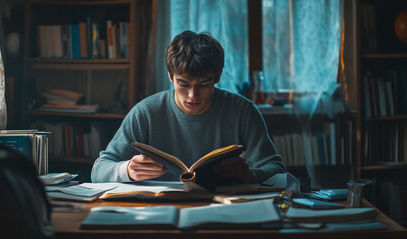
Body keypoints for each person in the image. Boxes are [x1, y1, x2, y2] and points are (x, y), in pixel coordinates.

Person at [91, 30, 286, 186]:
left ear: (217, 77)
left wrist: (251, 175)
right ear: (170, 76)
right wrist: (127, 170)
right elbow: (99, 170)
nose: (193, 95)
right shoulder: (146, 112)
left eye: (203, 84)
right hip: (159, 208)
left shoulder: (243, 111)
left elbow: (276, 169)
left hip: (220, 205)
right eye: (183, 83)